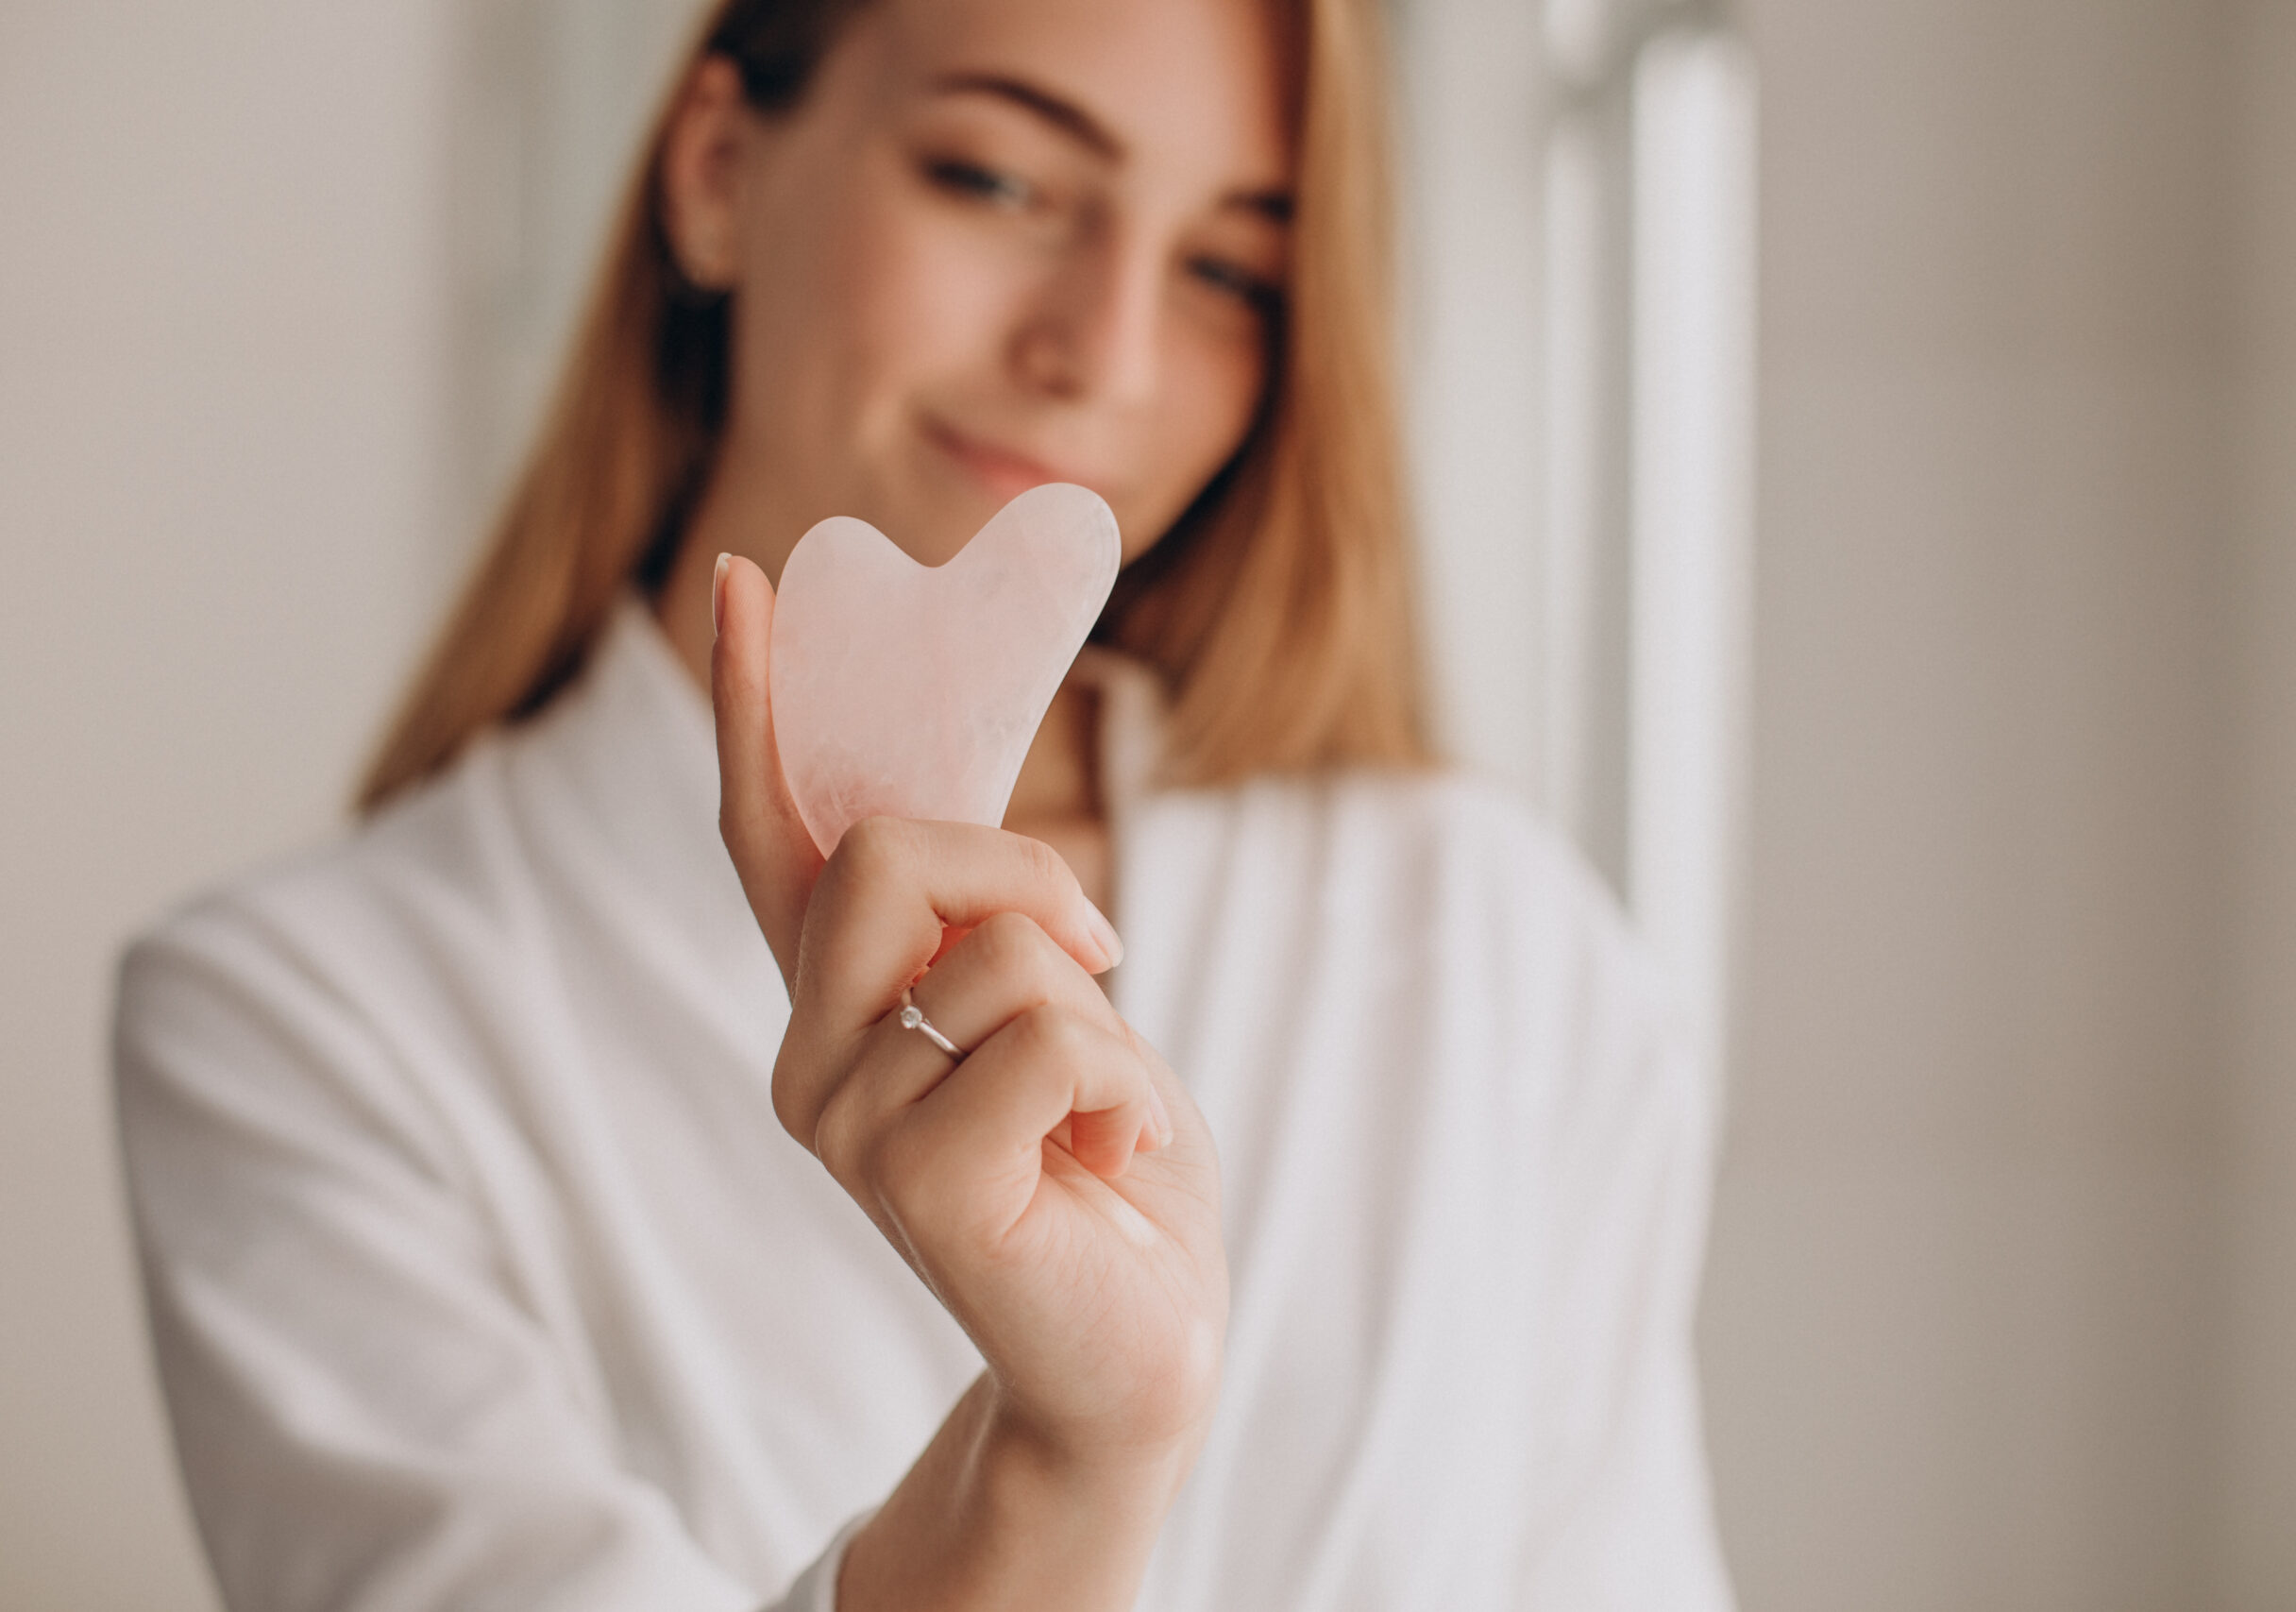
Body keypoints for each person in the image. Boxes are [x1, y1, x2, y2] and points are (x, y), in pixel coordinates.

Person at [113, 0, 1733, 1607]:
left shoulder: (1507, 954)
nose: (1101, 356)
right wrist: (1066, 1468)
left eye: (1229, 269)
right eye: (999, 181)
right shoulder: (298, 1024)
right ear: (720, 168)